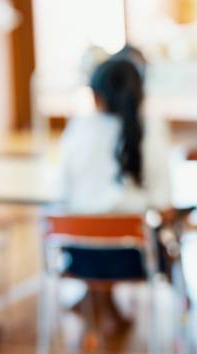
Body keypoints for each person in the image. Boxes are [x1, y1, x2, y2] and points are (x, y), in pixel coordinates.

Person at [58, 58, 174, 333]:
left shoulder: (78, 129)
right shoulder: (150, 131)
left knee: (93, 228)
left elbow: (61, 196)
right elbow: (165, 207)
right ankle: (102, 305)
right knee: (158, 235)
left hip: (79, 254)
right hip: (131, 258)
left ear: (96, 97)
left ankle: (96, 301)